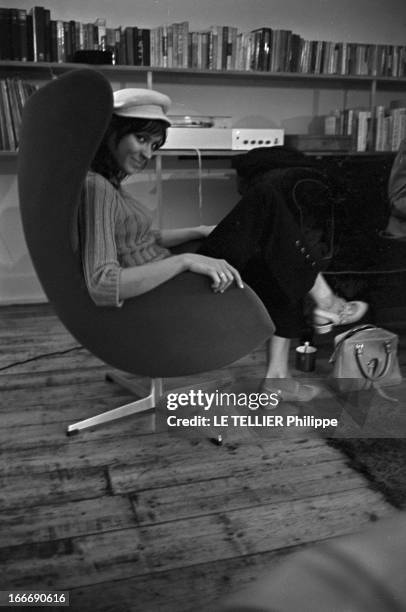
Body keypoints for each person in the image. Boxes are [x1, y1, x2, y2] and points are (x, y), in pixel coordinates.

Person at [80, 87, 368, 402]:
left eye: (154, 145)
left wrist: (200, 230)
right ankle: (326, 301)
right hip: (168, 293)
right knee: (267, 198)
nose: (147, 153)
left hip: (172, 280)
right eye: (141, 139)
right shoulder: (98, 189)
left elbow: (146, 239)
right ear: (113, 133)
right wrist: (185, 262)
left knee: (274, 258)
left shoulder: (111, 187)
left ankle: (277, 377)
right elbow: (102, 283)